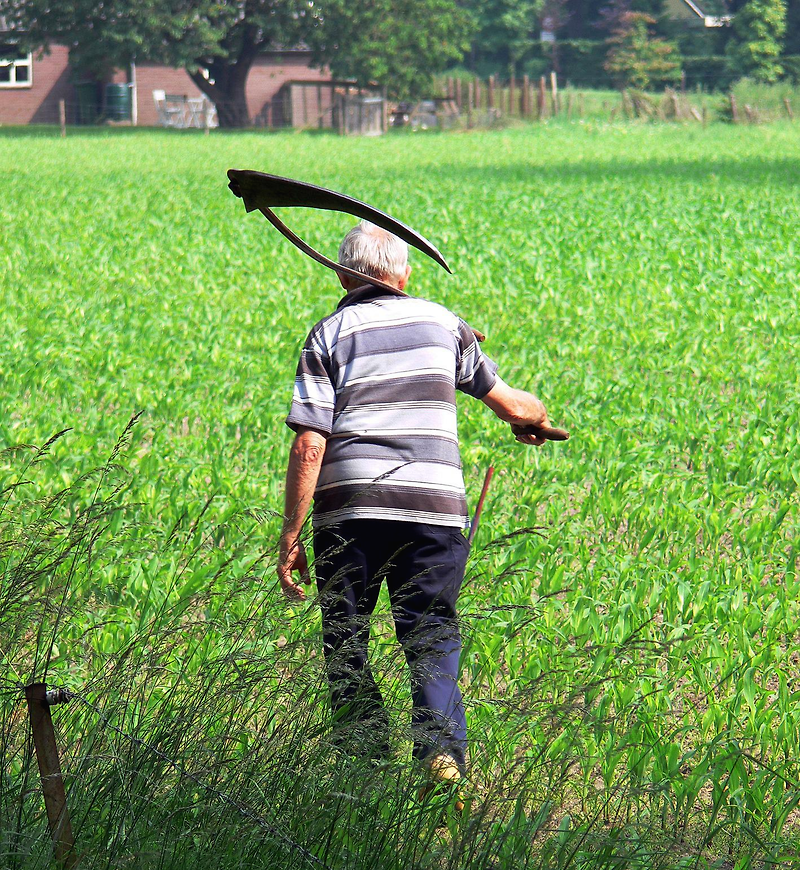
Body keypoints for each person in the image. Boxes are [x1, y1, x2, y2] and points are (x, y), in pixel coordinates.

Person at [277, 221, 553, 800]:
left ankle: (363, 760)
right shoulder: (444, 323)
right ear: (403, 274)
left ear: (342, 273)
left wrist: (292, 534)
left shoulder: (327, 333)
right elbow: (510, 404)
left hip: (347, 513)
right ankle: (441, 752)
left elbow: (309, 442)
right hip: (432, 509)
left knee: (346, 634)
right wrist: (535, 416)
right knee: (429, 632)